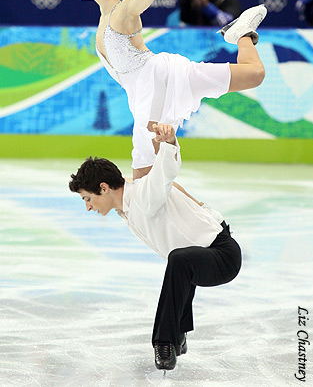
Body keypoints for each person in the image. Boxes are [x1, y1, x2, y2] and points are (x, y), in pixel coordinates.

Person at [77, 0, 267, 180]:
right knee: (148, 177)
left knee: (147, 172)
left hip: (161, 76)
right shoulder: (103, 18)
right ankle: (205, 215)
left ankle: (240, 33)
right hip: (143, 92)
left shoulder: (123, 10)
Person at [68, 123, 242, 371]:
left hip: (222, 256)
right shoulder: (127, 203)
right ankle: (178, 334)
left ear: (104, 188)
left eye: (88, 198)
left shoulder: (144, 195)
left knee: (179, 260)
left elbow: (165, 173)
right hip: (204, 251)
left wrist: (169, 144)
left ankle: (165, 342)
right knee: (180, 260)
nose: (88, 207)